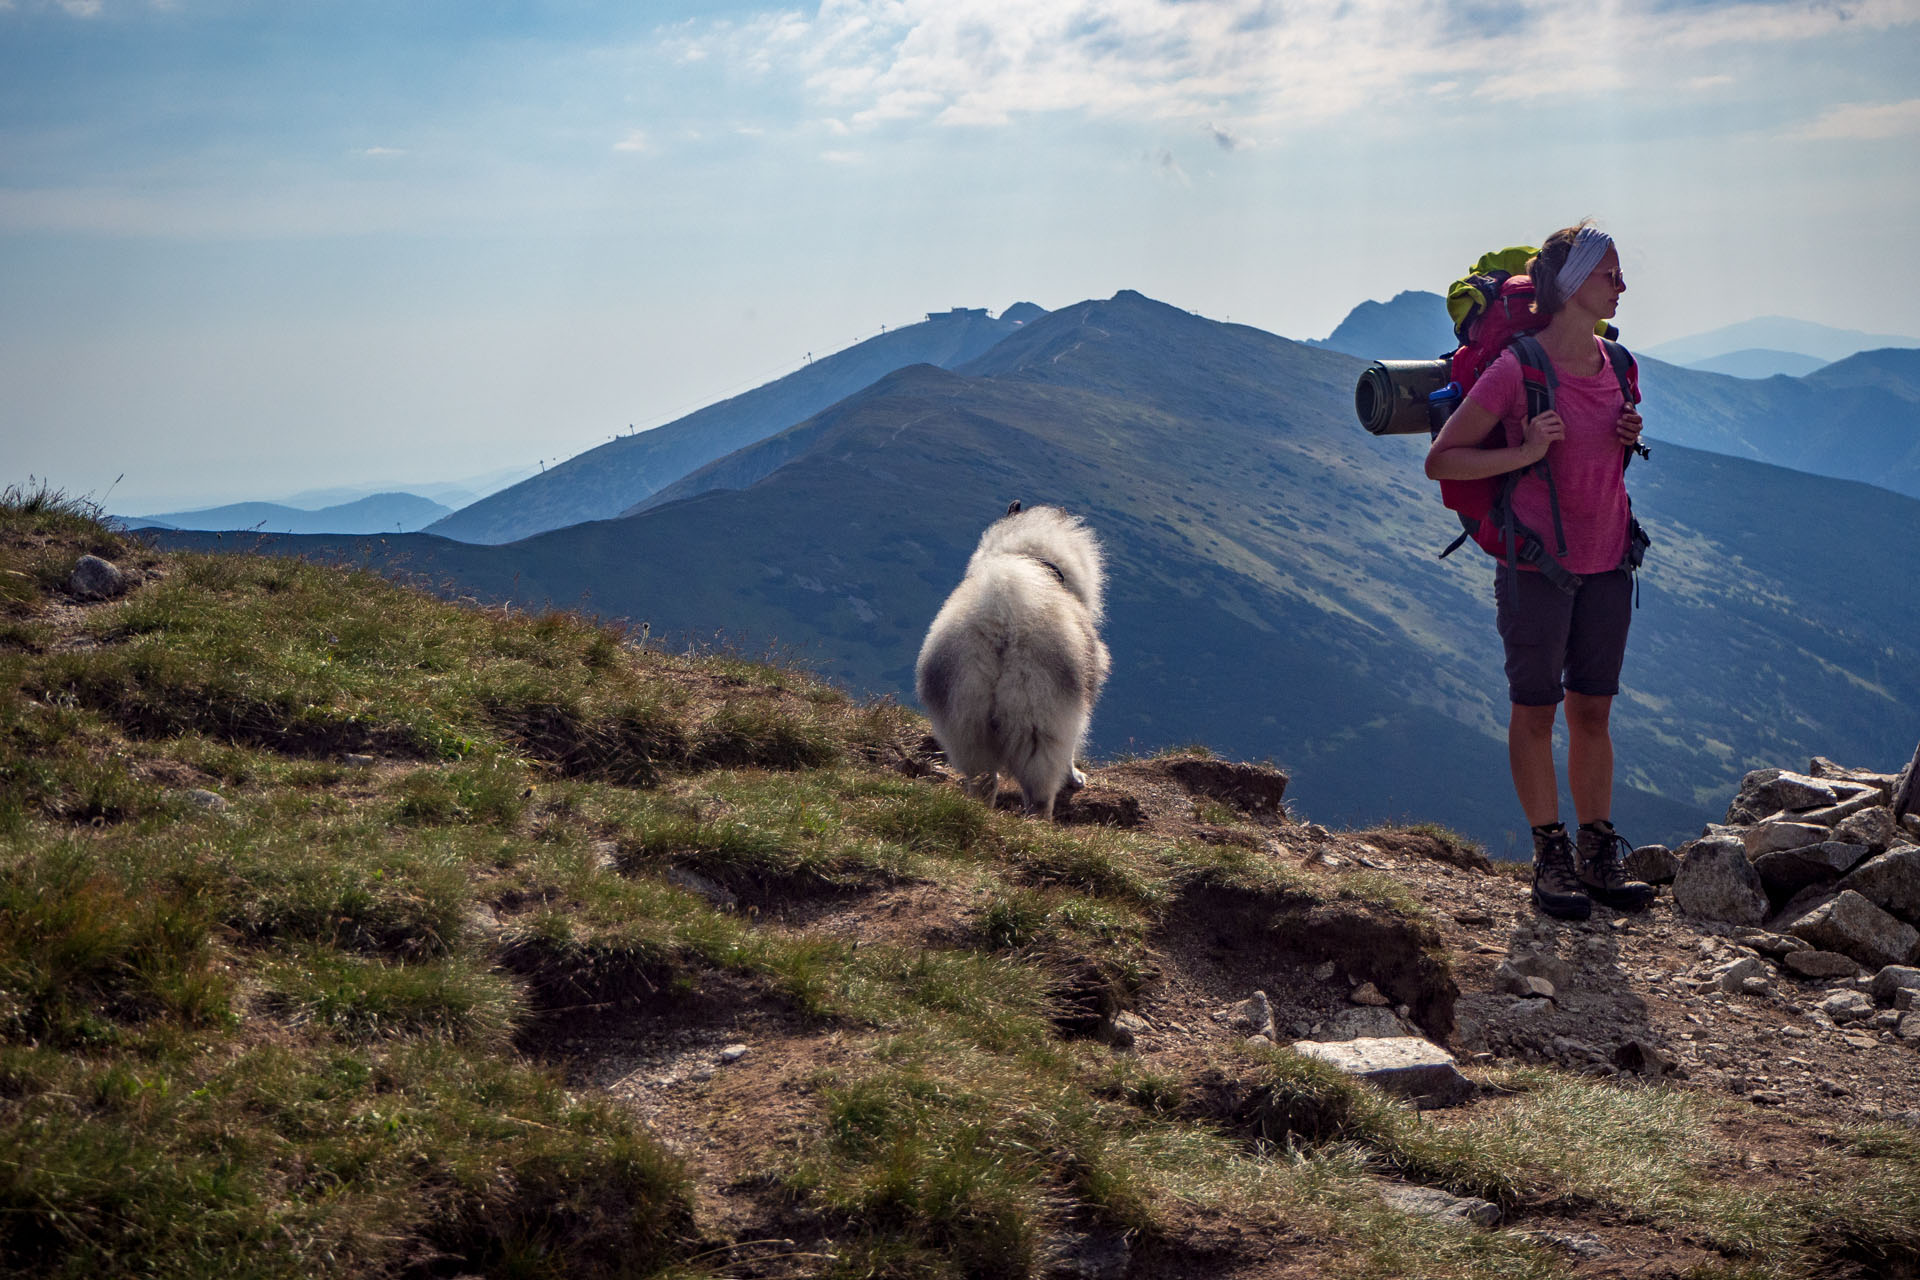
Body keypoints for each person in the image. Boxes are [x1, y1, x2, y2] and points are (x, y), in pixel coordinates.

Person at [1424, 222, 1655, 920]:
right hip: (1539, 567)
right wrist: (1521, 454)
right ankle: (1550, 853)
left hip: (1611, 559)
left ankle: (1597, 851)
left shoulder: (1618, 366)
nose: (1621, 285)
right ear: (1574, 284)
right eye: (1609, 273)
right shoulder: (1515, 368)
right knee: (1536, 710)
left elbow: (1597, 462)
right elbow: (1444, 458)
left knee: (1593, 708)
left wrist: (1626, 437)